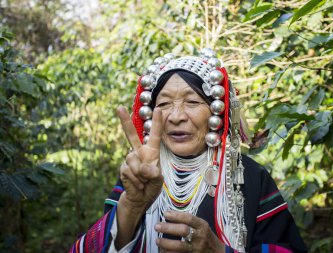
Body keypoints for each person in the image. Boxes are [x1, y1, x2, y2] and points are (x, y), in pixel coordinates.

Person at [69, 49, 307, 253]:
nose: (176, 116)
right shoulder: (139, 175)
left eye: (192, 103)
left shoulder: (249, 178)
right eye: (163, 104)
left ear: (216, 110)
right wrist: (130, 207)